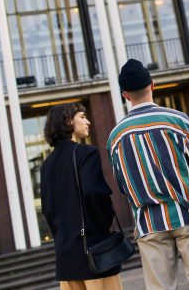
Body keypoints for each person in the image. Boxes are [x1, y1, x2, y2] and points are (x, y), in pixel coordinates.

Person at [107, 59, 189, 290]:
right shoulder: (178, 120)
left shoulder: (116, 135)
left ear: (125, 95)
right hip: (188, 211)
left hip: (148, 221)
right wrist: (183, 185)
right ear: (153, 85)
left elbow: (122, 183)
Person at [40, 102, 123, 290]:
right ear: (68, 121)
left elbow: (47, 209)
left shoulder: (47, 164)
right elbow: (96, 194)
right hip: (94, 251)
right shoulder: (86, 154)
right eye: (82, 117)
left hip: (65, 255)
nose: (89, 122)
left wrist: (62, 237)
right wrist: (104, 225)